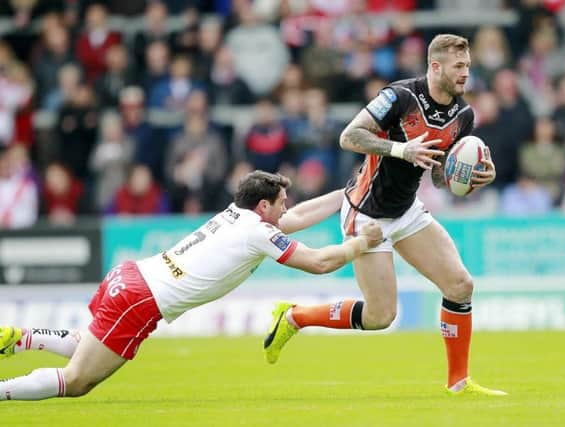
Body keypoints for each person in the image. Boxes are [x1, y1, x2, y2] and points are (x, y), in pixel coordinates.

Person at [262, 34, 507, 396]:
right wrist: (400, 149)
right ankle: (296, 317)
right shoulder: (400, 97)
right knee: (380, 317)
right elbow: (350, 136)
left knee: (460, 285)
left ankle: (459, 382)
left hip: (407, 210)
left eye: (467, 66)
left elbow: (439, 176)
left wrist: (473, 177)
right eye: (458, 67)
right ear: (435, 66)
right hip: (368, 212)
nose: (465, 74)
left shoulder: (463, 115)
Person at [0, 170, 382, 401]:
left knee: (87, 347)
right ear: (263, 207)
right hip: (140, 298)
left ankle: (21, 337)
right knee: (79, 381)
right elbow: (317, 263)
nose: (287, 207)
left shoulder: (240, 215)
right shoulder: (257, 232)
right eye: (281, 201)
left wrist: (347, 195)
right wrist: (361, 244)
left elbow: (295, 217)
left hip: (130, 276)